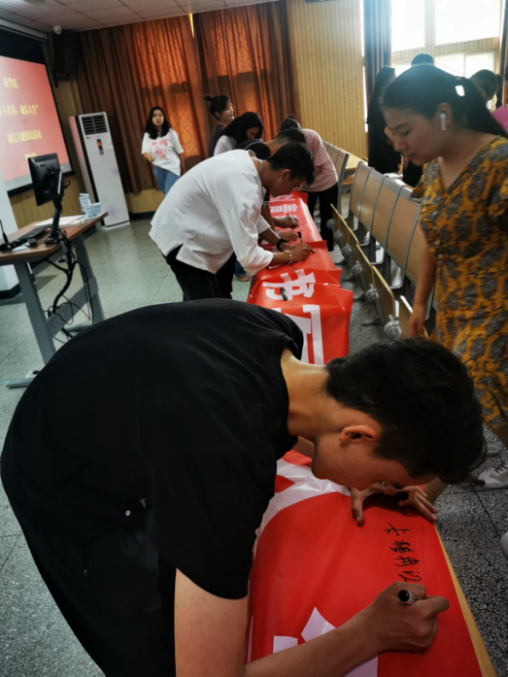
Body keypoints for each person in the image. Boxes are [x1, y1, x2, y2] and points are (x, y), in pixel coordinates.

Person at [1, 302, 485, 676]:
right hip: (61, 482)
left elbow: (260, 415)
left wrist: (366, 475)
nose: (377, 489)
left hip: (93, 412)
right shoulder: (223, 466)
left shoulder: (275, 334)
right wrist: (369, 633)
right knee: (153, 653)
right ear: (357, 435)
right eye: (387, 479)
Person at [378, 64, 507, 503]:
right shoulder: (434, 170)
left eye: (405, 130)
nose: (398, 144)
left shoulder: (499, 161)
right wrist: (419, 305)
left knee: (477, 394)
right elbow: (432, 241)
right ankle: (421, 490)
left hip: (498, 309)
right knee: (466, 397)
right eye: (392, 133)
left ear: (444, 114)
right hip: (453, 308)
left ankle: (423, 491)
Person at [150, 143, 316, 300]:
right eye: (294, 185)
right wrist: (290, 256)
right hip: (182, 237)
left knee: (218, 296)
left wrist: (281, 244)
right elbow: (249, 257)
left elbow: (253, 216)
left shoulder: (248, 162)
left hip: (190, 224)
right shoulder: (244, 189)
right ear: (285, 174)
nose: (290, 191)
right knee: (205, 306)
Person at [280, 115, 338, 251]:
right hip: (306, 184)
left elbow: (318, 167)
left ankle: (327, 250)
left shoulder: (312, 137)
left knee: (327, 219)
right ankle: (307, 245)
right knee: (305, 217)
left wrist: (300, 183)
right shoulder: (285, 144)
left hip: (326, 182)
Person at [238, 127, 307, 234]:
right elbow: (262, 208)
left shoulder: (259, 146)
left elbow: (259, 210)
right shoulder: (260, 153)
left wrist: (278, 223)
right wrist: (276, 236)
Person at [141, 106, 184, 196]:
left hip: (172, 167)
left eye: (160, 115)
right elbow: (144, 151)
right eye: (155, 115)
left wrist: (182, 167)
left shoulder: (171, 133)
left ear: (164, 117)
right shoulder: (148, 135)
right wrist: (148, 156)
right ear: (151, 119)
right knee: (166, 193)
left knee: (169, 194)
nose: (158, 118)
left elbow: (179, 150)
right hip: (158, 169)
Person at [367, 67, 401, 174]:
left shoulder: (374, 102)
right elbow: (384, 133)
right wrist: (399, 146)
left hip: (377, 153)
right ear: (386, 82)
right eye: (393, 80)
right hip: (384, 155)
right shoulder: (380, 105)